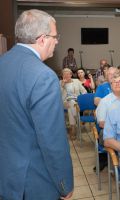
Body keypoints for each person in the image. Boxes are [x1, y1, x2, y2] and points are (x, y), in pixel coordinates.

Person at [0, 9, 73, 199]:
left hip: (6, 174)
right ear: (42, 39)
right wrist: (64, 184)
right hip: (33, 182)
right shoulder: (43, 76)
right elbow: (53, 140)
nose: (57, 41)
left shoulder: (3, 63)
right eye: (55, 37)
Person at [61, 68, 87, 139]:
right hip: (65, 102)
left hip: (77, 101)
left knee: (71, 106)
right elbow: (58, 95)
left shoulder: (76, 81)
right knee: (70, 103)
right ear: (62, 75)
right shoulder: (60, 83)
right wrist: (62, 86)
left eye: (68, 74)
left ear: (71, 74)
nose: (66, 75)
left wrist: (81, 99)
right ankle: (77, 118)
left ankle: (73, 128)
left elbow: (84, 91)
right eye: (64, 74)